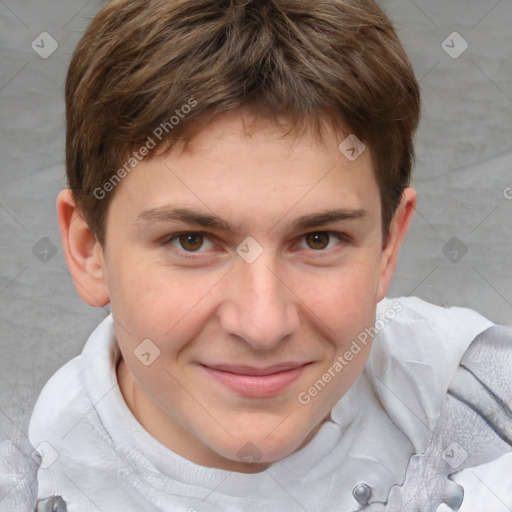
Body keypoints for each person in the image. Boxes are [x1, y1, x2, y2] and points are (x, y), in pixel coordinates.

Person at [8, 0, 511, 510]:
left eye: (319, 240)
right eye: (192, 241)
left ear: (387, 247)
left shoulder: (457, 387)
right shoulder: (42, 487)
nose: (262, 325)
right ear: (89, 249)